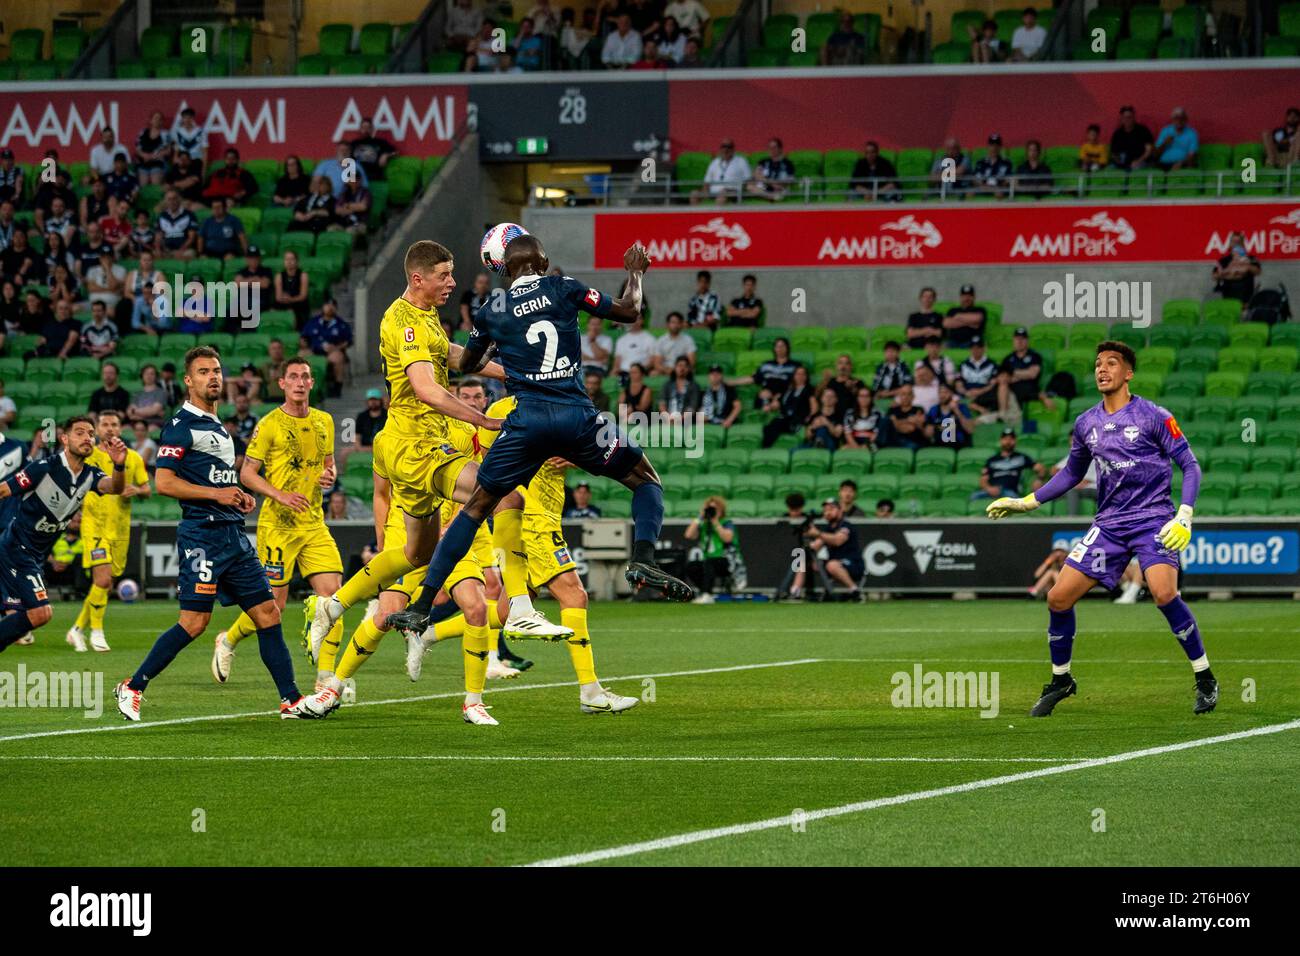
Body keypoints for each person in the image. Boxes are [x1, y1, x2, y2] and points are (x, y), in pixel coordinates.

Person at [380, 235, 695, 643]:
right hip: (578, 418)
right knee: (645, 480)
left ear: (503, 269)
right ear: (544, 263)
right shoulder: (565, 288)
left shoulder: (492, 308)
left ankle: (422, 605)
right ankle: (644, 559)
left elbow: (471, 362)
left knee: (477, 507)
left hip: (525, 423)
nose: (451, 282)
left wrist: (498, 339)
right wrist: (635, 271)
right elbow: (630, 310)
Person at [303, 238, 570, 672]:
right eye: (444, 275)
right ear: (418, 278)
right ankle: (520, 608)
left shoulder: (428, 318)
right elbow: (427, 388)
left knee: (416, 554)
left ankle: (333, 605)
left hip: (415, 446)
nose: (452, 282)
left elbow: (457, 358)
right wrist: (481, 420)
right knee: (506, 497)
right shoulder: (403, 321)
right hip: (416, 446)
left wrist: (517, 373)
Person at [986, 340, 1215, 716]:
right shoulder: (1086, 423)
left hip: (1153, 519)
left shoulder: (1154, 415)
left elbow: (1190, 465)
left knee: (1162, 593)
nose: (1102, 369)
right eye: (1097, 364)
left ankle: (1205, 677)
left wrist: (1185, 515)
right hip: (1108, 526)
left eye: (1111, 363)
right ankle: (1062, 679)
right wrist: (1027, 502)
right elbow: (1073, 473)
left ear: (1128, 373)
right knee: (1057, 599)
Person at [114, 348, 324, 720]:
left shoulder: (218, 427)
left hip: (232, 533)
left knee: (268, 613)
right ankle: (132, 686)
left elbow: (217, 480)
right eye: (203, 371)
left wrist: (237, 497)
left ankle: (290, 700)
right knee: (194, 622)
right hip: (202, 537)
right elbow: (163, 482)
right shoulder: (181, 424)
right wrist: (217, 495)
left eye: (216, 370)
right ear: (188, 381)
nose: (213, 377)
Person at [212, 359, 344, 691]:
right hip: (278, 526)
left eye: (305, 377)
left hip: (314, 523)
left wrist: (331, 476)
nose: (300, 382)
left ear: (312, 383)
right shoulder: (269, 423)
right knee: (274, 606)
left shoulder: (325, 421)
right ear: (282, 383)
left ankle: (325, 678)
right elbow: (247, 474)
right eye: (293, 377)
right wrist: (279, 494)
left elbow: (328, 466)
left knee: (334, 600)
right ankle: (227, 640)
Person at [0, 417, 127, 654]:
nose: (88, 438)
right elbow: (4, 490)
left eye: (91, 433)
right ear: (65, 439)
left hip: (35, 554)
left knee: (31, 614)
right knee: (40, 613)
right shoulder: (43, 468)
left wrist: (119, 466)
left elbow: (116, 488)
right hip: (16, 548)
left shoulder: (90, 474)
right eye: (80, 433)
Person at [65, 410, 151, 653]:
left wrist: (136, 489)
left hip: (120, 527)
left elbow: (147, 488)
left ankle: (77, 629)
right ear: (98, 429)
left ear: (120, 428)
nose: (110, 429)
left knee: (105, 584)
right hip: (94, 524)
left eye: (114, 424)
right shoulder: (89, 457)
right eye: (105, 425)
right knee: (102, 580)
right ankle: (98, 632)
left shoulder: (132, 458)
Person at [802, 498, 863, 600]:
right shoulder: (828, 529)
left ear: (840, 510)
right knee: (803, 560)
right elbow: (815, 546)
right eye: (825, 510)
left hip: (853, 564)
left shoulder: (846, 525)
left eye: (831, 509)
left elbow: (837, 540)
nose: (827, 512)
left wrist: (818, 534)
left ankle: (854, 591)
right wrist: (806, 539)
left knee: (832, 564)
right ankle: (796, 591)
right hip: (835, 565)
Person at [683, 495, 736, 603]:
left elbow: (727, 538)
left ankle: (707, 594)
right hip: (708, 560)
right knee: (691, 567)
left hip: (725, 560)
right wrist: (700, 517)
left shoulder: (726, 522)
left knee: (710, 563)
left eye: (714, 509)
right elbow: (688, 535)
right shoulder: (704, 524)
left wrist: (715, 522)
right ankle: (704, 592)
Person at [975, 428, 1045, 499]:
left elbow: (1040, 468)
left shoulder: (1021, 457)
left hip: (1010, 492)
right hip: (992, 490)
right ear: (1001, 441)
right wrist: (989, 489)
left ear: (1015, 441)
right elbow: (983, 480)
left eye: (1011, 439)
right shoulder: (992, 460)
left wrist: (1039, 480)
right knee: (974, 497)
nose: (1008, 441)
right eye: (1005, 439)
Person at [761, 364, 814, 448]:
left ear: (806, 376)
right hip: (784, 417)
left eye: (803, 374)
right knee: (768, 427)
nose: (800, 376)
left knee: (776, 424)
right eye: (798, 374)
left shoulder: (809, 390)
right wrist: (770, 406)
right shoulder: (788, 390)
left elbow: (814, 408)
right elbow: (778, 404)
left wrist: (810, 420)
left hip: (797, 420)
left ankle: (765, 448)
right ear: (794, 376)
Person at [690, 139, 751, 205]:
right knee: (694, 193)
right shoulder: (714, 162)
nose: (726, 149)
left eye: (729, 147)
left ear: (733, 149)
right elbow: (707, 182)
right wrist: (705, 192)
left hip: (732, 192)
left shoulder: (741, 161)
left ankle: (717, 215)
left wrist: (740, 190)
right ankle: (696, 215)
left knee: (722, 194)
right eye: (723, 146)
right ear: (720, 148)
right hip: (714, 192)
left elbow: (748, 179)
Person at [1212, 231, 1260, 304]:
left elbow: (1257, 271)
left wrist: (1246, 265)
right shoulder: (1224, 260)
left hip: (1246, 299)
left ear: (1243, 244)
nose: (1236, 244)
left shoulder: (1250, 258)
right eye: (1234, 241)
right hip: (1228, 298)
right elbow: (1215, 276)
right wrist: (1228, 270)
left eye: (1239, 242)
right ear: (1230, 243)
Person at [956, 334, 999, 414]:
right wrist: (966, 392)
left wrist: (979, 391)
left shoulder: (991, 364)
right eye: (973, 347)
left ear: (984, 348)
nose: (975, 350)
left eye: (978, 347)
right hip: (967, 394)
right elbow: (958, 383)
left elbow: (993, 384)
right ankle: (979, 408)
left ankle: (976, 406)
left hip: (984, 395)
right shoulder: (964, 364)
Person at [746, 137, 796, 202]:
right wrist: (771, 183)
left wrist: (779, 185)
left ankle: (770, 196)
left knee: (782, 190)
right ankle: (771, 197)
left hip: (780, 188)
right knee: (750, 186)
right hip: (764, 187)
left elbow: (791, 179)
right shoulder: (763, 162)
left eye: (774, 147)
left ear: (780, 149)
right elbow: (756, 174)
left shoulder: (787, 163)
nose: (771, 150)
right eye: (769, 148)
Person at [925, 384, 974, 448]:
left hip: (959, 446)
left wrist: (956, 410)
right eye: (940, 392)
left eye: (945, 392)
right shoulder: (934, 409)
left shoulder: (962, 408)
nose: (942, 395)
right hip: (939, 446)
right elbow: (928, 433)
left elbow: (970, 429)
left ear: (952, 394)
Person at [1109, 105, 1155, 171]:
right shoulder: (1117, 134)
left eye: (1129, 117)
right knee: (1110, 170)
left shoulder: (1143, 130)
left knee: (1134, 167)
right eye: (1125, 117)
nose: (1127, 120)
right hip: (1122, 163)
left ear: (1134, 117)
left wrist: (1138, 161)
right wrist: (1118, 161)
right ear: (1121, 119)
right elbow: (1113, 153)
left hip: (1141, 161)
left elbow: (1149, 151)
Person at [1153, 107, 1198, 171]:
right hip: (1164, 164)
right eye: (1176, 118)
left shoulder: (1192, 133)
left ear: (1186, 119)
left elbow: (1192, 155)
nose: (1179, 121)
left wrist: (1181, 163)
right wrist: (1164, 143)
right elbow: (1155, 154)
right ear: (1172, 120)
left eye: (1181, 118)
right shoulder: (1165, 131)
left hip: (1183, 164)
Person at [273, 249, 310, 327]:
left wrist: (291, 299)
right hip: (283, 302)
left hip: (298, 302)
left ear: (297, 261)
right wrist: (285, 299)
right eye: (286, 259)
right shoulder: (279, 276)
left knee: (292, 311)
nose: (289, 262)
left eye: (291, 259)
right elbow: (278, 297)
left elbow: (303, 296)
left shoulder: (303, 275)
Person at [943, 284, 986, 348]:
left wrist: (958, 316)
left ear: (974, 297)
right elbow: (946, 323)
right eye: (964, 296)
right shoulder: (953, 310)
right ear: (960, 297)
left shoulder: (979, 310)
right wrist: (970, 323)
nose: (967, 298)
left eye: (969, 296)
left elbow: (978, 318)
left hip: (971, 342)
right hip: (952, 342)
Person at [700, 362, 740, 428]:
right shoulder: (705, 392)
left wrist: (729, 420)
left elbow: (738, 406)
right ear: (708, 376)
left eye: (718, 373)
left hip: (726, 422)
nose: (715, 376)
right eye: (712, 374)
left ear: (721, 375)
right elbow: (701, 409)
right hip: (710, 422)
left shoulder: (729, 389)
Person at [805, 386, 843, 451]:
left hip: (830, 444)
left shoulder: (839, 416)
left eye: (831, 396)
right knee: (793, 451)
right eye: (826, 396)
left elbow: (837, 434)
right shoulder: (815, 416)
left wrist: (827, 423)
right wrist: (814, 427)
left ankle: (819, 444)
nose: (828, 398)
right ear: (822, 398)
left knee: (822, 429)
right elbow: (808, 436)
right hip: (812, 443)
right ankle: (818, 444)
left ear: (836, 399)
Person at [843, 385, 880, 450]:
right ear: (857, 398)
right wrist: (857, 448)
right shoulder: (849, 413)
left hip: (870, 443)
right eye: (861, 396)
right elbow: (847, 434)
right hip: (853, 442)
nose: (864, 399)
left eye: (867, 396)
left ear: (871, 398)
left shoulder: (877, 413)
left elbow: (876, 434)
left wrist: (865, 446)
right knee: (844, 449)